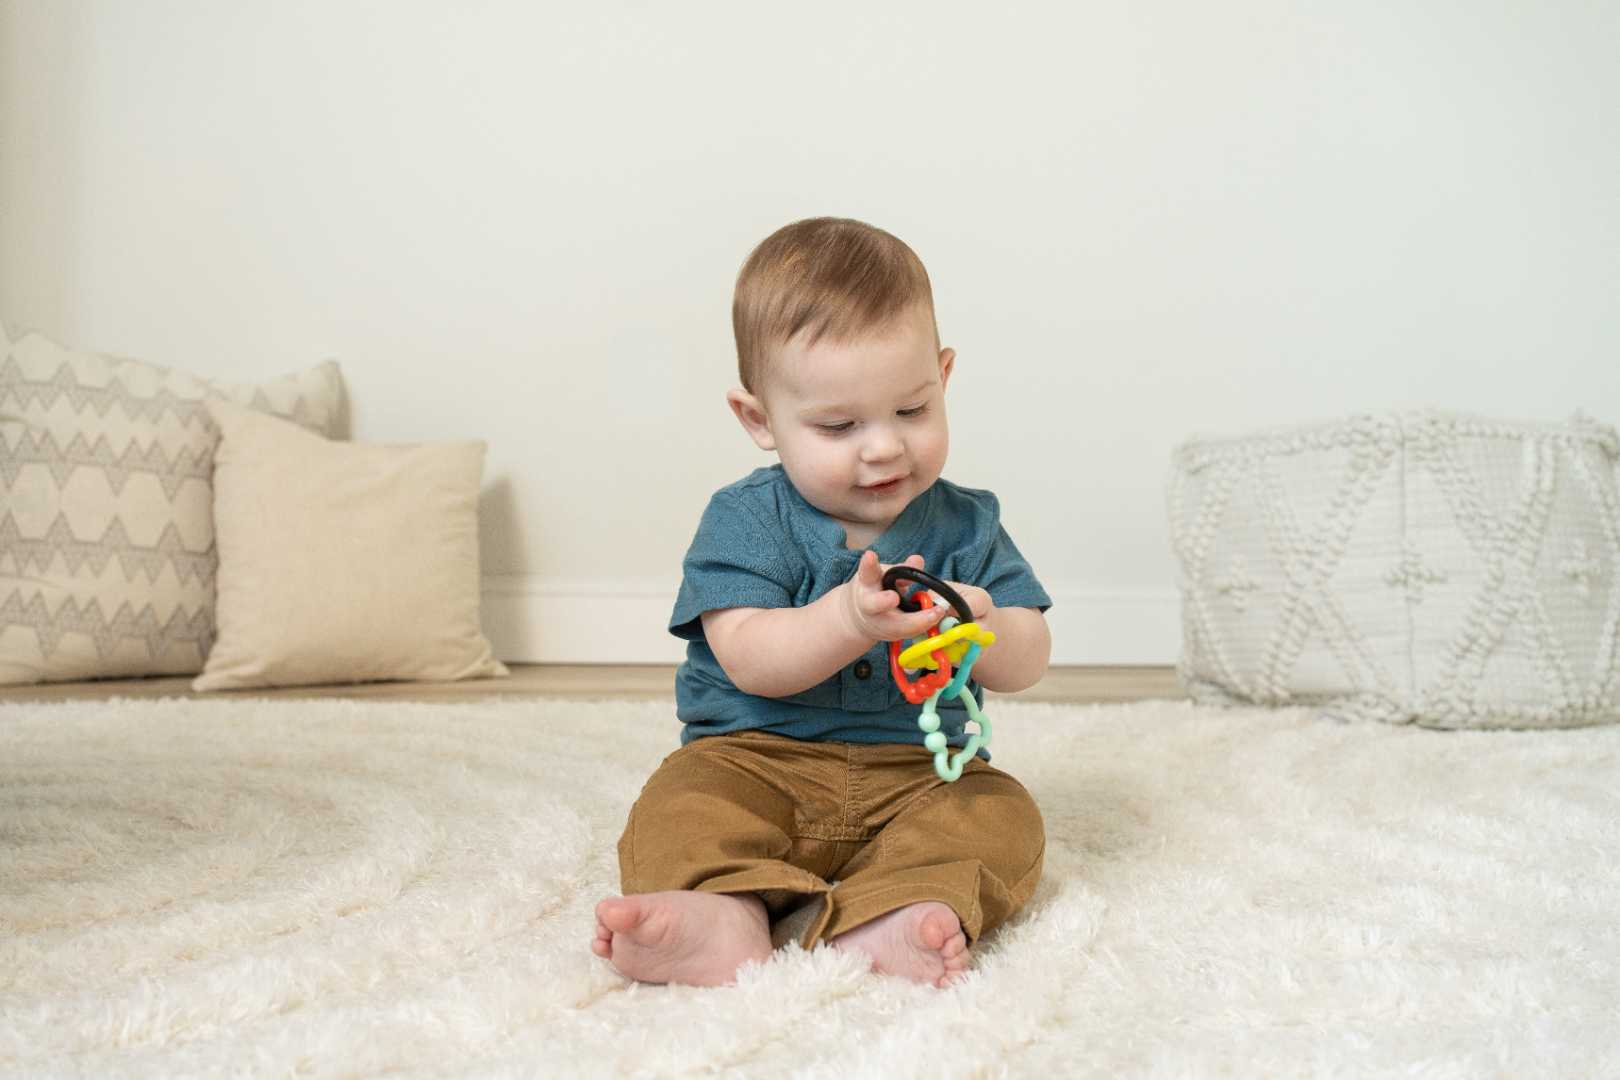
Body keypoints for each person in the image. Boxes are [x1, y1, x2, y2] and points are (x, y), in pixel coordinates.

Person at [591, 216, 1051, 988]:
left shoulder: (968, 523)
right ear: (759, 421)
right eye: (838, 425)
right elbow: (750, 659)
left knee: (1002, 814)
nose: (883, 447)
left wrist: (985, 625)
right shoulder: (745, 520)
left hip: (920, 770)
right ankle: (723, 912)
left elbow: (1029, 658)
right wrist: (845, 620)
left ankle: (898, 908)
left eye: (912, 410)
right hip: (757, 760)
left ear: (943, 376)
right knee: (684, 806)